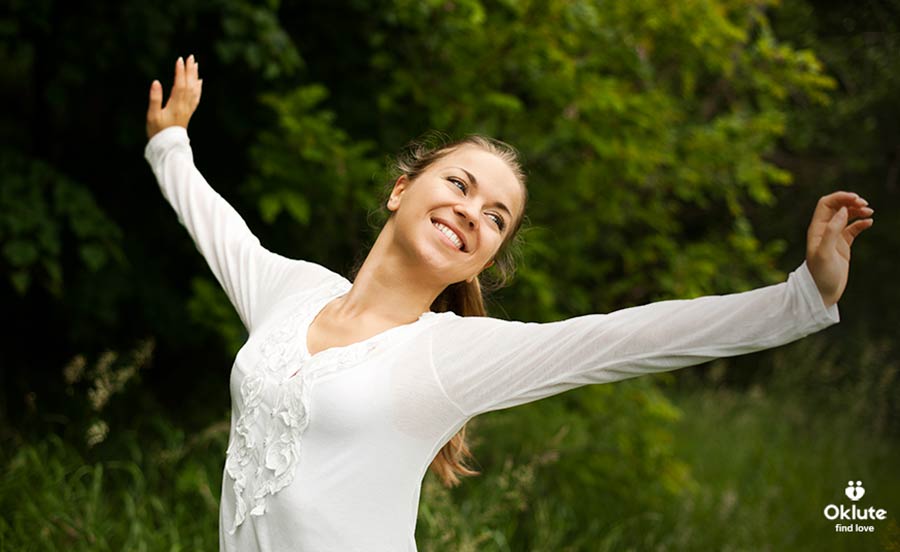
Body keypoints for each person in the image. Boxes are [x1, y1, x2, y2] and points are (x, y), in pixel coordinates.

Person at [144, 55, 874, 551]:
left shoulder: (445, 357)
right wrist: (171, 143)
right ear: (402, 190)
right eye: (460, 185)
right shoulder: (292, 291)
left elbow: (628, 338)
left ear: (488, 255)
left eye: (496, 216)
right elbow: (220, 230)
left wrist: (802, 295)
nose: (472, 212)